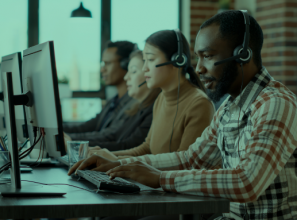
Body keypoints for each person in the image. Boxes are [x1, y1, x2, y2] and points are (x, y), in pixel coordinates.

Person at [69, 11, 297, 220]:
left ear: (242, 54)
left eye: (207, 56)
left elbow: (246, 183)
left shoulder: (275, 104)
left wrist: (160, 178)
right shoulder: (229, 107)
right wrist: (120, 164)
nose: (198, 68)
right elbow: (191, 159)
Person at [87, 29, 215, 160]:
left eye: (151, 59)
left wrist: (118, 162)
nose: (144, 68)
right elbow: (147, 149)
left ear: (177, 60)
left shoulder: (199, 104)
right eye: (144, 60)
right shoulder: (161, 99)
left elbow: (184, 163)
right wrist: (106, 156)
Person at [86, 50, 161, 156]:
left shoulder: (154, 110)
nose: (126, 77)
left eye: (133, 72)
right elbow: (115, 137)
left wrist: (83, 147)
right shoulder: (134, 108)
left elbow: (128, 145)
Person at [63, 41, 137, 146]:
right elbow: (85, 127)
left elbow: (109, 136)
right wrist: (53, 130)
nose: (102, 70)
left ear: (126, 64)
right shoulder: (112, 101)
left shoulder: (135, 103)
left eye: (108, 63)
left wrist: (67, 139)